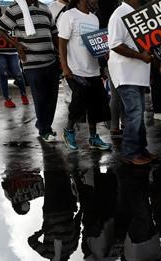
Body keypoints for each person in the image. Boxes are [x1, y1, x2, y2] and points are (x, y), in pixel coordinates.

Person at [0, 0, 60, 142]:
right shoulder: (14, 9)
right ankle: (45, 129)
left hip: (51, 60)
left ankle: (43, 123)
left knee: (52, 97)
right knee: (40, 97)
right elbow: (0, 28)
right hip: (31, 63)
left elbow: (54, 32)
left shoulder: (45, 8)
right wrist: (16, 45)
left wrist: (60, 54)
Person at [58, 0, 112, 151]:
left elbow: (95, 44)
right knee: (78, 102)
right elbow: (62, 43)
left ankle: (94, 138)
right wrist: (65, 67)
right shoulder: (69, 15)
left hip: (93, 69)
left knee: (95, 105)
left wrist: (104, 53)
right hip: (75, 70)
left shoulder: (94, 18)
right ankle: (68, 131)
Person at [107, 0, 154, 165]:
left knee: (138, 114)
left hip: (138, 73)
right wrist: (141, 56)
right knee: (134, 113)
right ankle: (130, 152)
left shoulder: (138, 14)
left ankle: (141, 149)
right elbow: (114, 44)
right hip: (126, 73)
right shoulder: (119, 14)